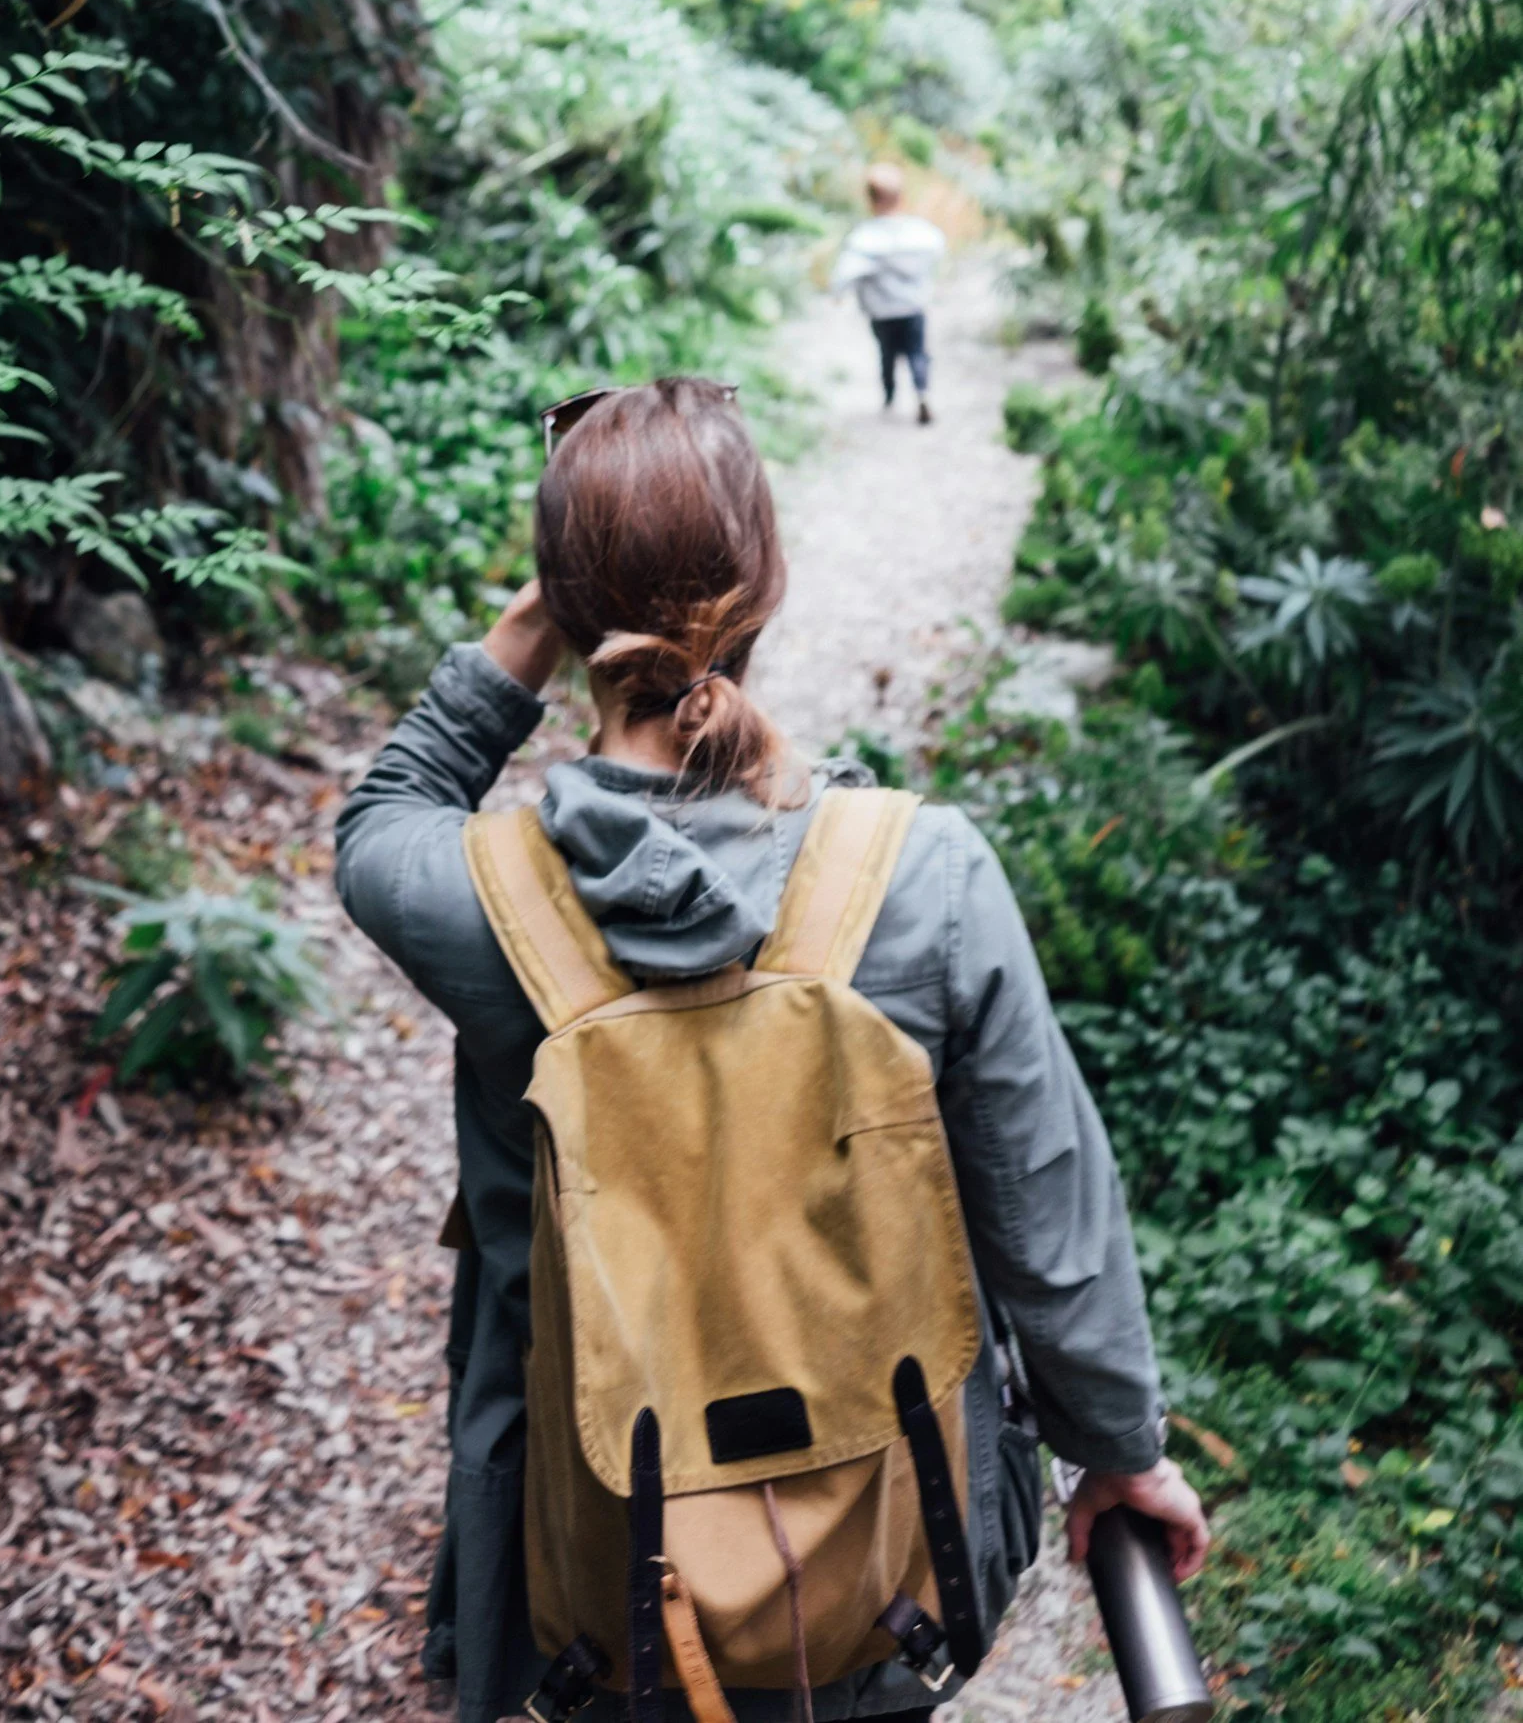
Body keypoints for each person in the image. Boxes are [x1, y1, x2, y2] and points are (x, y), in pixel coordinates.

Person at [335, 379, 1207, 1723]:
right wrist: (1118, 1454)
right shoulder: (919, 874)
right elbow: (1047, 1212)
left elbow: (385, 806)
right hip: (882, 1582)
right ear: (767, 588)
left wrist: (542, 616)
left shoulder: (480, 904)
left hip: (601, 1588)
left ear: (571, 614)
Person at [831, 162, 947, 423]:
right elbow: (938, 253)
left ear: (870, 200)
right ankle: (922, 392)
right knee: (918, 352)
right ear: (901, 196)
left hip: (882, 311)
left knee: (887, 354)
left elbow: (845, 273)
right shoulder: (922, 234)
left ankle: (889, 397)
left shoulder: (865, 239)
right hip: (913, 307)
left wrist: (838, 293)